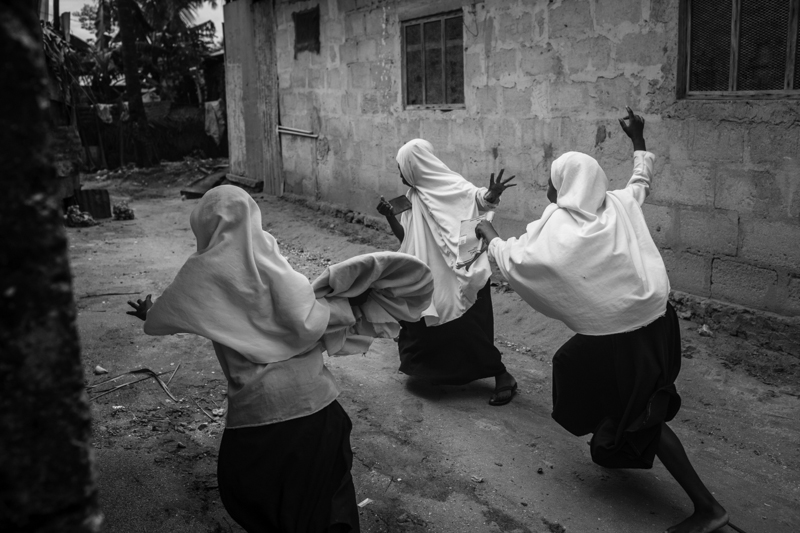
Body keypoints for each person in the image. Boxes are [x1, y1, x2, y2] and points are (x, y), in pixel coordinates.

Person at [476, 108, 730, 533]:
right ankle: (613, 438)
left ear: (563, 187)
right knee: (573, 364)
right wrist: (638, 139)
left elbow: (521, 260)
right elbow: (640, 181)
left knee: (646, 417)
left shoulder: (560, 230)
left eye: (552, 183)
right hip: (656, 322)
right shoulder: (617, 203)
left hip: (625, 337)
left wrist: (491, 236)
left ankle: (709, 508)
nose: (548, 190)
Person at [127, 185, 433, 533]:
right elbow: (307, 318)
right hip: (316, 405)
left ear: (204, 225)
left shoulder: (199, 275)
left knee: (259, 496)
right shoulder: (271, 258)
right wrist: (351, 303)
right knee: (327, 495)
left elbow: (176, 311)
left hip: (259, 414)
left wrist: (150, 314)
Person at [377, 139, 518, 406]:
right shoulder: (412, 197)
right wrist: (390, 217)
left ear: (414, 166)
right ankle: (433, 373)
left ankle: (502, 375)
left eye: (401, 167)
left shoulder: (450, 184)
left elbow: (477, 199)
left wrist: (492, 194)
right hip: (428, 271)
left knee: (465, 326)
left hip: (458, 271)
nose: (399, 174)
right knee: (426, 323)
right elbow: (405, 237)